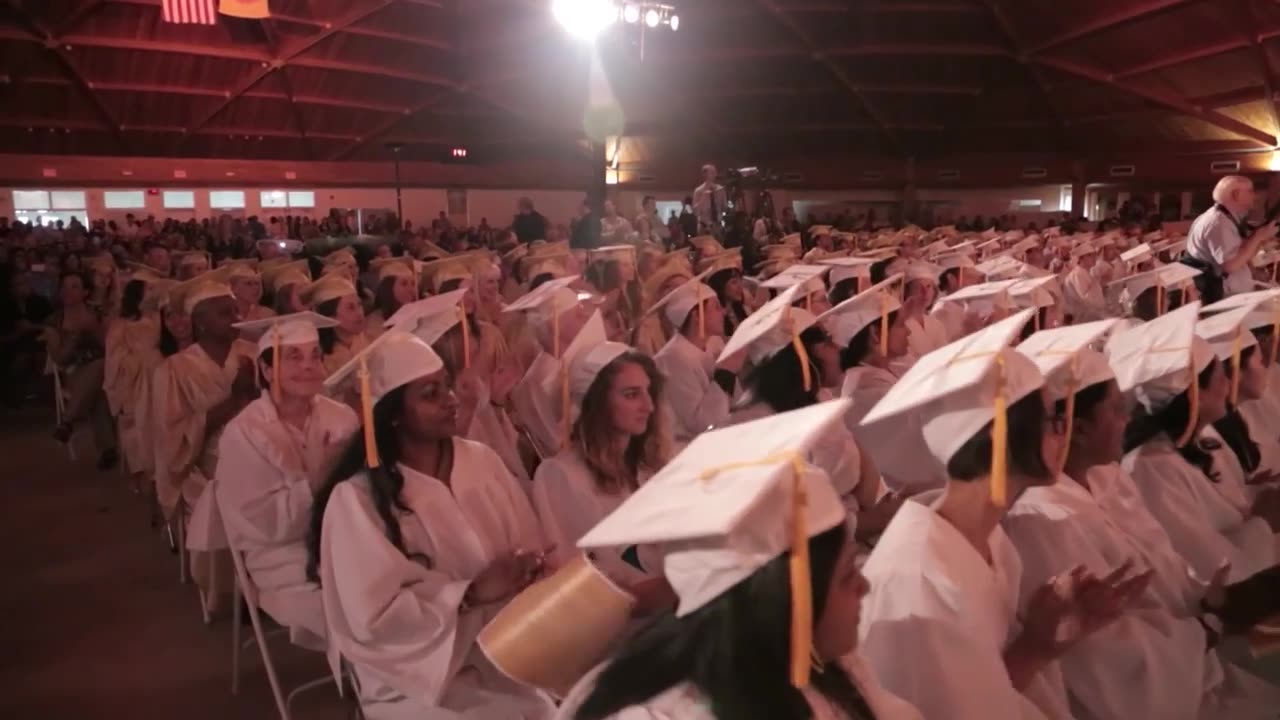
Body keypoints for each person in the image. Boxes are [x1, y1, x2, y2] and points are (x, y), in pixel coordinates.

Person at [857, 310, 1145, 720]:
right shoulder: (917, 583)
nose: (1064, 432)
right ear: (1000, 436)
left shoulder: (984, 536)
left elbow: (987, 685)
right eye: (1052, 419)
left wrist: (1040, 643)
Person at [560, 402, 924, 720]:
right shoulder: (657, 714)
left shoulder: (822, 659)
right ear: (784, 596)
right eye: (846, 575)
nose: (864, 586)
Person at [1008, 322, 1280, 718]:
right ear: (1076, 430)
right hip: (1175, 687)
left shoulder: (1106, 476)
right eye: (1117, 409)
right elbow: (1112, 661)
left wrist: (1205, 597)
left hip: (1198, 654)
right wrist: (1208, 625)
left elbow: (1167, 571)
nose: (1128, 419)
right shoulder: (1043, 522)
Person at [310, 331, 554, 720]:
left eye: (447, 386)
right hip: (418, 679)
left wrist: (532, 568)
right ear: (392, 414)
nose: (450, 400)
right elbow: (374, 619)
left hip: (504, 649)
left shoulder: (482, 462)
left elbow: (527, 543)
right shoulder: (356, 500)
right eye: (430, 394)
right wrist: (471, 593)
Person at [215, 313, 359, 650]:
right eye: (293, 357)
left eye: (314, 356)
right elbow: (265, 525)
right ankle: (371, 688)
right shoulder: (244, 433)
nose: (307, 366)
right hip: (284, 555)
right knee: (358, 607)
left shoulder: (341, 416)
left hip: (347, 539)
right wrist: (319, 479)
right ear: (266, 371)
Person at [1115, 302, 1280, 585]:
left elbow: (1231, 512)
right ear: (1196, 394)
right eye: (1220, 378)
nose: (1227, 386)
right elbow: (1207, 565)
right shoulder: (1151, 468)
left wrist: (1258, 497)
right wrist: (1263, 522)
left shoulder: (1203, 438)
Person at [531, 312, 673, 610]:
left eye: (649, 393)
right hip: (620, 633)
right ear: (596, 402)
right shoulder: (560, 475)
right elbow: (593, 580)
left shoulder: (647, 467)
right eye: (632, 395)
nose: (648, 406)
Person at [723, 285, 887, 540]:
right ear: (802, 355)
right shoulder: (758, 424)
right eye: (828, 342)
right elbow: (796, 518)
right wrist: (874, 519)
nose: (838, 349)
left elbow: (861, 473)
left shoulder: (821, 398)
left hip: (853, 530)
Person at [151, 273, 257, 604]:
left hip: (259, 449)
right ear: (201, 323)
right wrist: (236, 401)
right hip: (205, 462)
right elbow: (174, 437)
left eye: (236, 310)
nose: (236, 318)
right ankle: (247, 586)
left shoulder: (251, 354)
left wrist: (257, 391)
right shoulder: (175, 370)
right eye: (224, 313)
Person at [651, 277, 741, 445]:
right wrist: (725, 373)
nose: (723, 312)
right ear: (697, 315)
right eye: (716, 307)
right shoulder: (672, 358)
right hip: (690, 448)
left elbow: (735, 402)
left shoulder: (714, 342)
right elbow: (701, 424)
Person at [46, 271, 117, 469]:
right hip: (74, 372)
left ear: (85, 292)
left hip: (107, 368)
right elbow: (59, 358)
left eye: (74, 286)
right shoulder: (54, 321)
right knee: (98, 389)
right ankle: (108, 449)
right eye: (65, 287)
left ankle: (67, 422)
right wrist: (75, 337)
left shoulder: (97, 313)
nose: (68, 291)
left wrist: (94, 329)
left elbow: (110, 347)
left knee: (100, 367)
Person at [104, 267, 166, 483]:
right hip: (135, 376)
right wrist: (133, 363)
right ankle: (140, 469)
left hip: (158, 369)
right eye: (148, 289)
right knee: (135, 423)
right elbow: (114, 353)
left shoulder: (160, 317)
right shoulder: (122, 323)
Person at [1186, 175, 1277, 299]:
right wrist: (1258, 237)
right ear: (1236, 194)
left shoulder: (1223, 218)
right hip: (1226, 298)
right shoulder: (1219, 223)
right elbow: (1230, 265)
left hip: (1232, 294)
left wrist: (1253, 272)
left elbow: (1242, 253)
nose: (1254, 196)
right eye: (1250, 191)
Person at [692, 164, 727, 237]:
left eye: (715, 171)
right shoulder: (698, 191)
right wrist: (703, 197)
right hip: (704, 227)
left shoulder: (720, 190)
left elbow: (724, 208)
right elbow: (696, 212)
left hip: (717, 227)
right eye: (711, 172)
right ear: (704, 174)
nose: (715, 174)